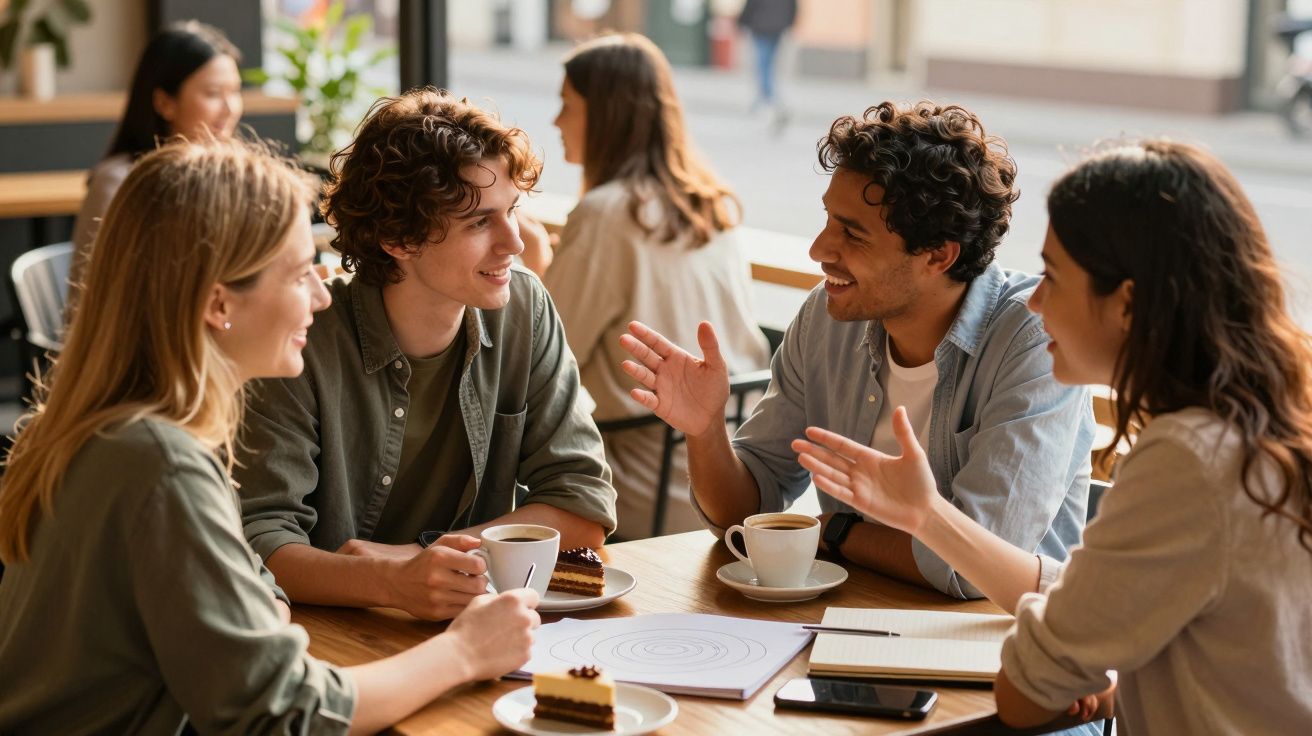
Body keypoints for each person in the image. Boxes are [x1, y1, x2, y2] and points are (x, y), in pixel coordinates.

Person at [0, 139, 541, 734]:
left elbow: (254, 596)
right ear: (218, 304)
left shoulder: (113, 429)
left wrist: (266, 619)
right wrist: (464, 652)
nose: (318, 293)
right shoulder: (160, 465)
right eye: (298, 271)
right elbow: (283, 713)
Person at [794, 140, 1312, 733]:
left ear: (1126, 304)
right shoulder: (1253, 431)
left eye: (1056, 277)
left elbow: (1026, 696)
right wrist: (927, 514)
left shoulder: (1188, 461)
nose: (1036, 302)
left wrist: (1069, 663)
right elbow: (1098, 603)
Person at [619, 101, 1095, 599]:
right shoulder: (827, 318)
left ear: (937, 254)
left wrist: (836, 531)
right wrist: (706, 430)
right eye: (828, 219)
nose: (819, 249)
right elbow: (745, 518)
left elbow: (969, 571)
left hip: (988, 646)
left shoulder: (1033, 339)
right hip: (851, 617)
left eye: (852, 232)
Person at [234, 89, 617, 621]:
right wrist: (392, 583)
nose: (515, 243)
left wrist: (422, 560)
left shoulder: (524, 307)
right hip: (328, 639)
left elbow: (582, 510)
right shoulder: (303, 338)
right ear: (398, 238)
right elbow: (260, 543)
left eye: (511, 211)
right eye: (480, 223)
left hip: (471, 628)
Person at [525, 33, 769, 540]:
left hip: (629, 493)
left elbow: (539, 358)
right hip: (721, 485)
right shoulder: (711, 206)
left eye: (567, 104)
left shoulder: (605, 215)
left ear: (607, 113)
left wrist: (533, 267)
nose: (555, 121)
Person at [70, 21, 242, 298]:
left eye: (235, 91)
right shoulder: (119, 184)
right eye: (213, 94)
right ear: (164, 103)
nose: (230, 109)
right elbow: (99, 303)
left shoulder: (233, 178)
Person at [738, 0, 796, 129]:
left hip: (760, 26)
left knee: (763, 66)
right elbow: (792, 5)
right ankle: (763, 100)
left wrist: (742, 22)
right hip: (778, 27)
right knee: (768, 64)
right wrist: (789, 23)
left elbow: (750, 4)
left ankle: (771, 102)